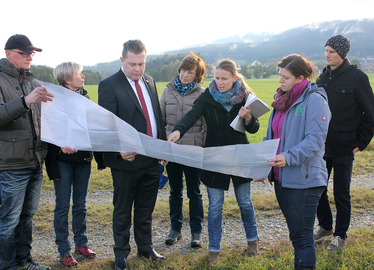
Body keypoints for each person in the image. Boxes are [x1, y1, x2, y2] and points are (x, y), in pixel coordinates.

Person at [168, 59, 260, 264]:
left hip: (239, 154)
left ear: (234, 78)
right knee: (215, 205)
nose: (219, 82)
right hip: (214, 156)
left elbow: (254, 128)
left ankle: (253, 241)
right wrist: (178, 131)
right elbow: (192, 116)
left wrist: (248, 118)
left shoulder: (245, 97)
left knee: (245, 201)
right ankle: (214, 251)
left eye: (224, 79)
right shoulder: (207, 96)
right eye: (217, 77)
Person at [97, 40, 167, 270]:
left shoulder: (150, 81)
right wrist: (118, 151)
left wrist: (163, 147)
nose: (138, 69)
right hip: (126, 161)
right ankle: (121, 254)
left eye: (142, 63)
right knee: (123, 209)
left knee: (146, 207)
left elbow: (156, 116)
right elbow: (106, 126)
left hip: (151, 159)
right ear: (121, 60)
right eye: (132, 64)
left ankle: (145, 247)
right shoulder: (109, 85)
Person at [261, 54, 331, 270]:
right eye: (280, 76)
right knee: (297, 235)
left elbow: (315, 140)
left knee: (302, 239)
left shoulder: (314, 100)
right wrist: (261, 163)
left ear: (301, 77)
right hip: (282, 179)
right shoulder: (281, 99)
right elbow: (272, 137)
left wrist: (289, 157)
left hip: (305, 180)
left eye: (286, 77)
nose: (280, 81)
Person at [314, 35, 374, 251]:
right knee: (318, 187)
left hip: (345, 146)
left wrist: (363, 141)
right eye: (326, 50)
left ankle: (340, 235)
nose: (327, 55)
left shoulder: (357, 77)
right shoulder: (323, 77)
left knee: (341, 193)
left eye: (332, 52)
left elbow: (371, 113)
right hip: (322, 146)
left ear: (342, 53)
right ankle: (326, 226)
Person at [0, 34, 53, 270]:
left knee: (27, 217)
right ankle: (7, 265)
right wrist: (25, 101)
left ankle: (24, 261)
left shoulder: (32, 81)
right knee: (8, 221)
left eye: (32, 53)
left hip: (34, 161)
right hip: (11, 164)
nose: (30, 57)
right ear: (8, 53)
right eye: (24, 53)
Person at [44, 62, 96, 267]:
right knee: (62, 206)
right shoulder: (54, 99)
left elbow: (91, 126)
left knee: (81, 204)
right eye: (79, 73)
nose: (83, 76)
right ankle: (64, 250)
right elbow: (47, 128)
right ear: (67, 78)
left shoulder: (85, 97)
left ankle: (81, 244)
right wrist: (60, 145)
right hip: (62, 161)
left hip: (83, 159)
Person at [160, 53, 206, 248]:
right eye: (183, 70)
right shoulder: (167, 92)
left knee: (194, 192)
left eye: (190, 72)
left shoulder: (202, 94)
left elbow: (206, 126)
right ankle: (175, 229)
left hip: (192, 150)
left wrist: (200, 148)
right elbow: (160, 120)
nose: (185, 75)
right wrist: (162, 149)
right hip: (172, 150)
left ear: (197, 76)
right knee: (175, 191)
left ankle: (196, 232)